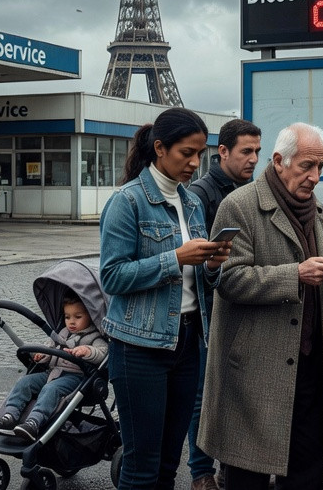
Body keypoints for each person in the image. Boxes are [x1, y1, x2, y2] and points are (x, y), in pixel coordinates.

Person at [199, 123, 323, 490]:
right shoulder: (239, 206)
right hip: (256, 370)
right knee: (247, 477)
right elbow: (227, 280)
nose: (315, 177)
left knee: (307, 474)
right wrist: (295, 274)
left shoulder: (317, 209)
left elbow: (320, 284)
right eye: (307, 166)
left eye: (320, 166)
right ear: (280, 160)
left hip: (310, 366)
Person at [99, 107, 231, 490]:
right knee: (141, 467)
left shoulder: (192, 203)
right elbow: (112, 276)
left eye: (200, 154)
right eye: (186, 153)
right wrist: (175, 258)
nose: (195, 163)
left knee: (169, 465)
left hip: (187, 342)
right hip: (139, 347)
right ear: (160, 148)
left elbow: (199, 282)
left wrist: (211, 265)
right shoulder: (127, 201)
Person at [184, 118, 261, 490]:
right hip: (208, 312)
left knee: (239, 392)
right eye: (246, 151)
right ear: (223, 152)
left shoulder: (253, 190)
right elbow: (190, 261)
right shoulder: (201, 194)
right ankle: (201, 472)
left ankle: (232, 466)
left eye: (257, 151)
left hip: (243, 306)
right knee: (204, 395)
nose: (254, 159)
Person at [0, 294, 109, 440]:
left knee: (51, 389)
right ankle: (10, 415)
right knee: (25, 382)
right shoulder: (62, 333)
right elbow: (49, 347)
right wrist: (42, 355)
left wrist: (87, 351)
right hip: (52, 372)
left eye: (78, 317)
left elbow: (102, 353)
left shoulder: (95, 337)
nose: (71, 321)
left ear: (91, 316)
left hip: (75, 377)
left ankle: (34, 422)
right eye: (67, 317)